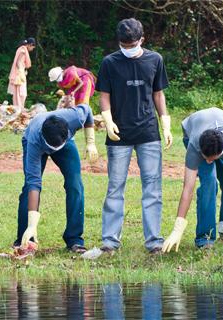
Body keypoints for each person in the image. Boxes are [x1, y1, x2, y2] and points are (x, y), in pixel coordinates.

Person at [96, 18, 173, 254]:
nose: (128, 49)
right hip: (119, 134)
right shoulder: (109, 62)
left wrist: (165, 122)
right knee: (115, 186)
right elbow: (104, 94)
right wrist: (108, 120)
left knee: (152, 186)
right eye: (124, 45)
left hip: (148, 131)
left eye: (132, 44)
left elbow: (158, 93)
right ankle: (110, 241)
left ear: (142, 39)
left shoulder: (155, 60)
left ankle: (154, 241)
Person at [15, 103, 98, 253]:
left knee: (75, 184)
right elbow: (34, 183)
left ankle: (74, 239)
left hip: (64, 141)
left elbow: (89, 110)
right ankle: (25, 239)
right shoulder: (35, 139)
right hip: (35, 142)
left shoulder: (75, 118)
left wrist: (90, 142)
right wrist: (33, 225)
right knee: (29, 187)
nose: (52, 151)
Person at [163, 108, 223, 251]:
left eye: (212, 159)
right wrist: (177, 228)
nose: (209, 162)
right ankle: (205, 238)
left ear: (222, 152)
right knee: (209, 184)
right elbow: (188, 188)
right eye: (205, 158)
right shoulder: (195, 145)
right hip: (193, 127)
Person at [8, 37, 35, 109]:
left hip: (19, 73)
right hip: (19, 74)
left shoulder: (21, 49)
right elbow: (18, 63)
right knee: (21, 93)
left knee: (18, 93)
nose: (32, 49)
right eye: (33, 47)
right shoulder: (23, 51)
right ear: (30, 45)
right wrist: (21, 73)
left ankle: (18, 107)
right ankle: (19, 108)